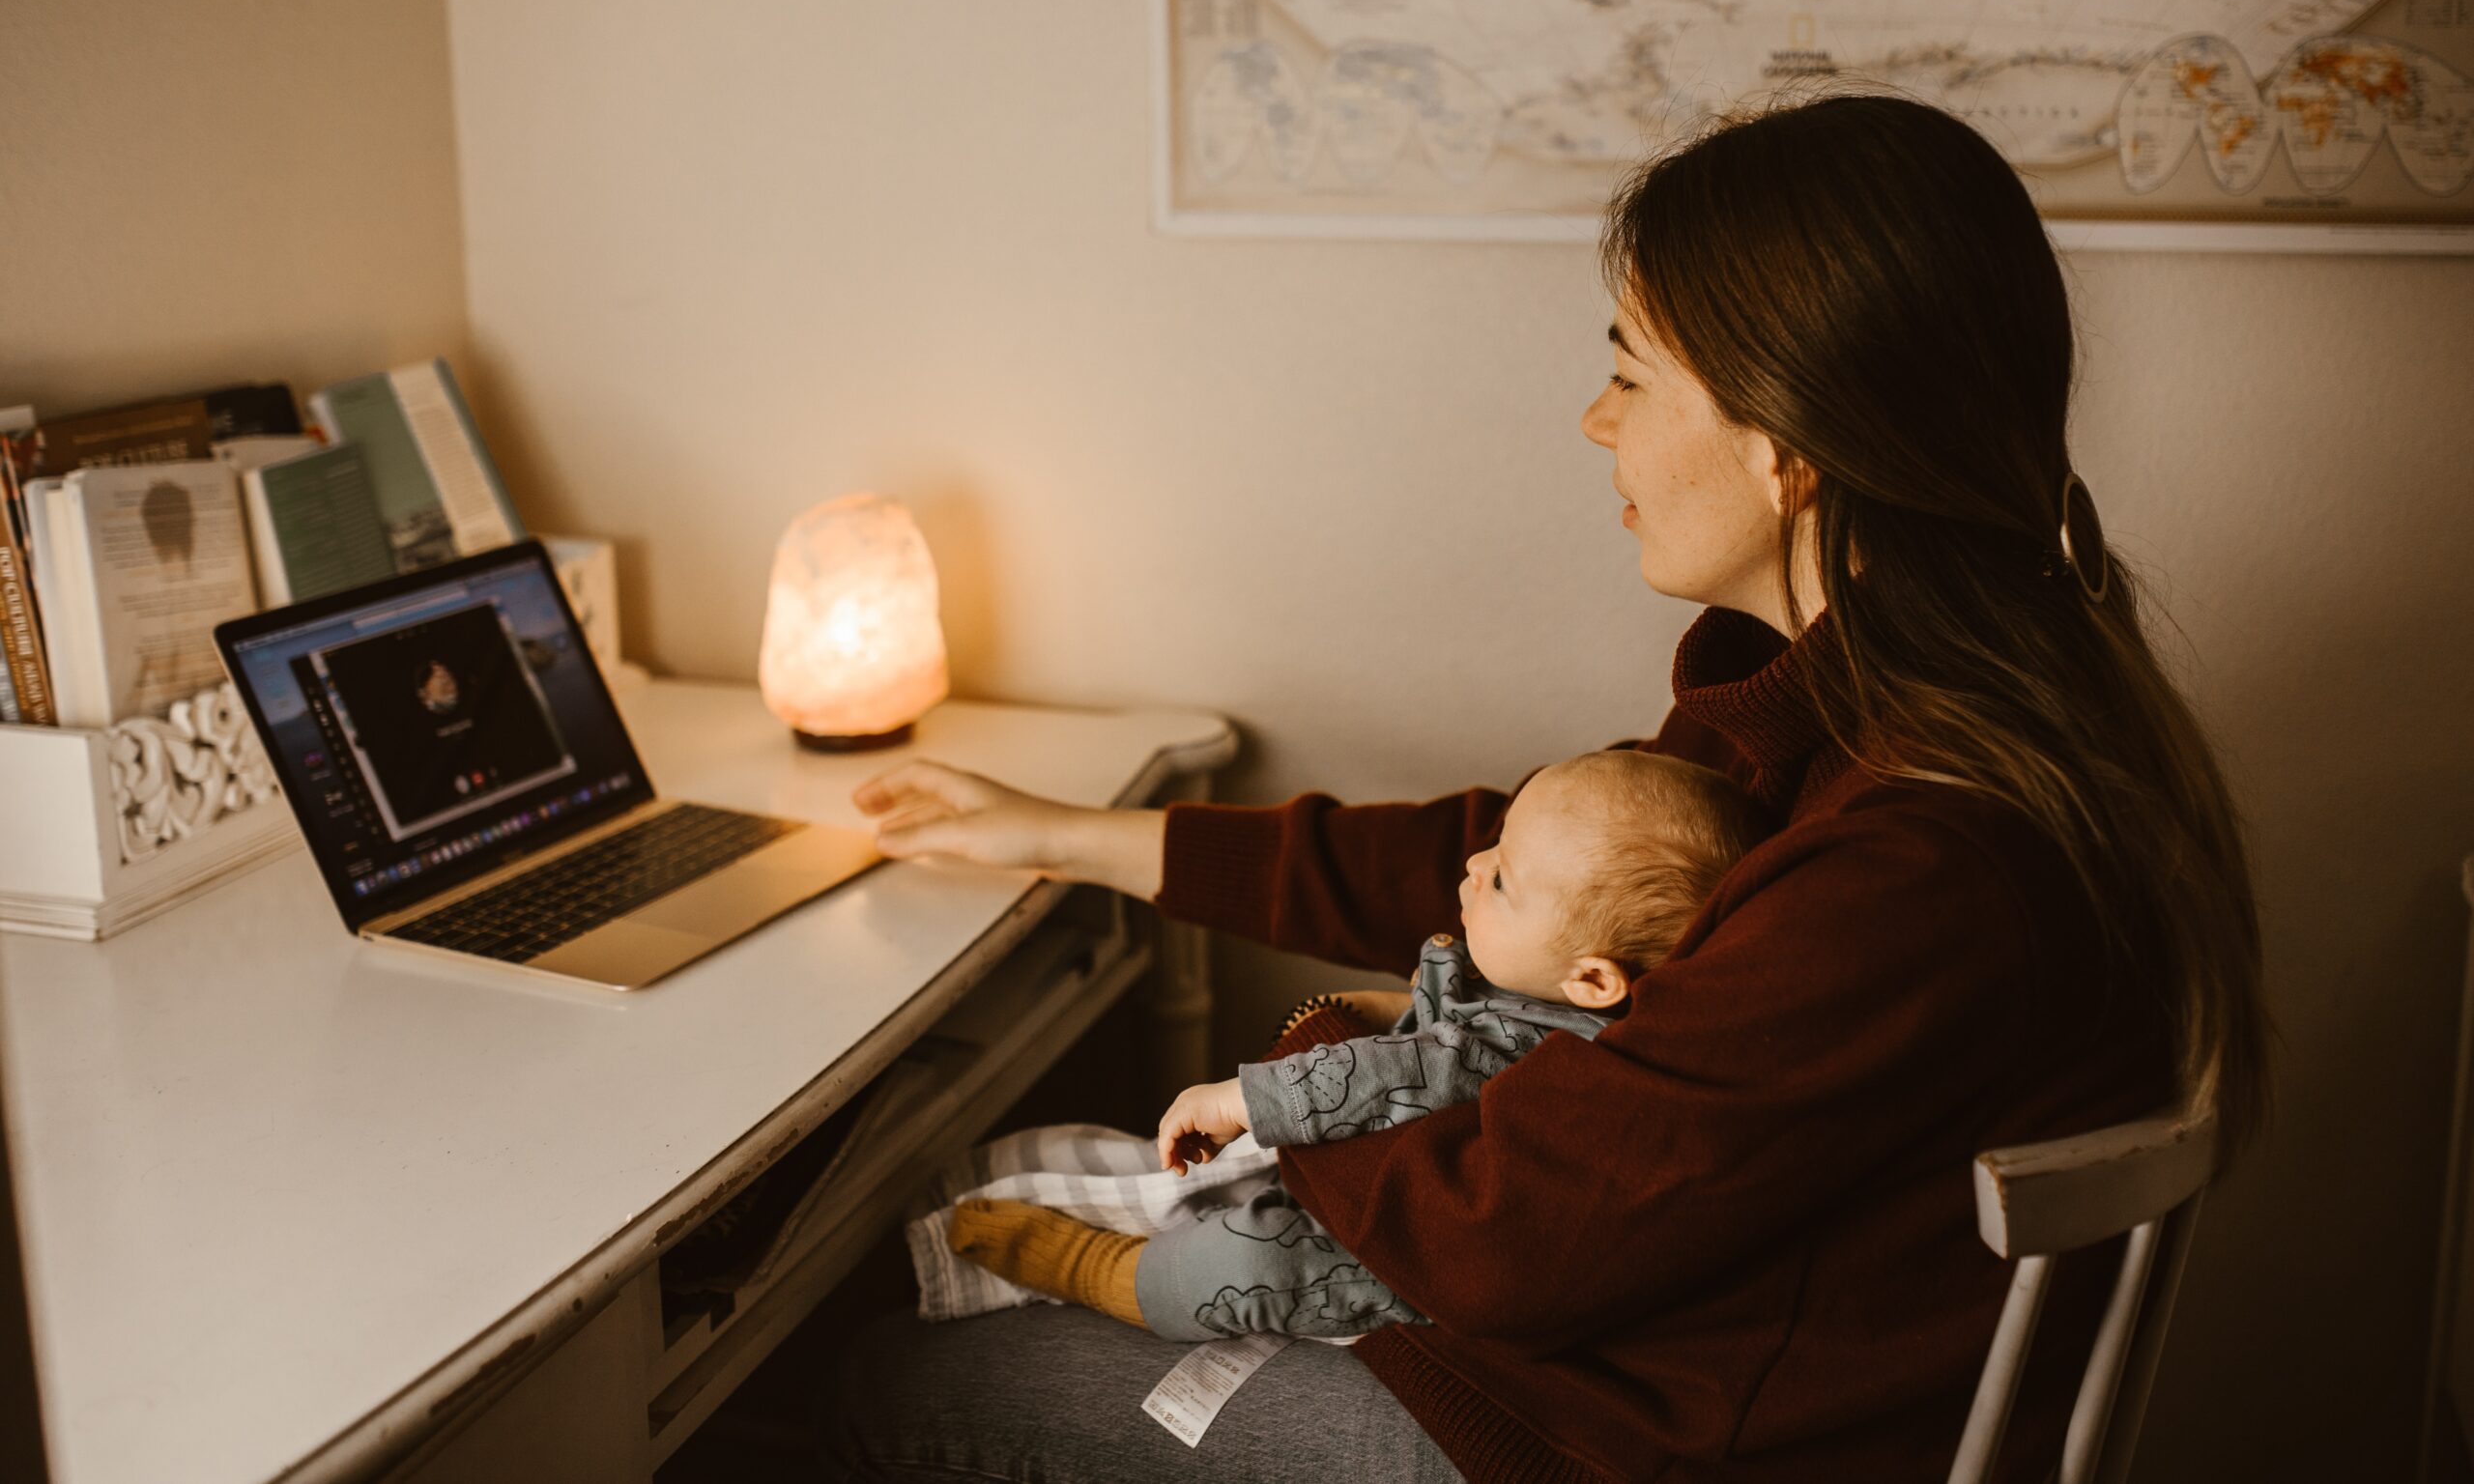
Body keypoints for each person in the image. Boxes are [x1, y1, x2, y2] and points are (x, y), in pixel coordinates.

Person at [821, 92, 2272, 1484]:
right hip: (1646, 1371)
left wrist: (1335, 1049)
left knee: (888, 1378)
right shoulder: (1904, 701)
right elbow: (1535, 861)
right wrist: (1083, 834)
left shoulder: (1921, 862)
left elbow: (1488, 1241)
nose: (1596, 419)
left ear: (1786, 450)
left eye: (1632, 373)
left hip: (1633, 1441)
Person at [941, 749, 1770, 1344]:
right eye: (1499, 840)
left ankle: (1097, 1270)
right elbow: (1425, 1018)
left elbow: (1406, 1068)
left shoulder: (1560, 1053)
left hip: (1400, 1264)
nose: (1476, 862)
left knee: (1252, 1268)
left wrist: (1241, 1097)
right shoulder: (1525, 977)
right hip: (1371, 1170)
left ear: (1594, 981)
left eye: (1505, 878)